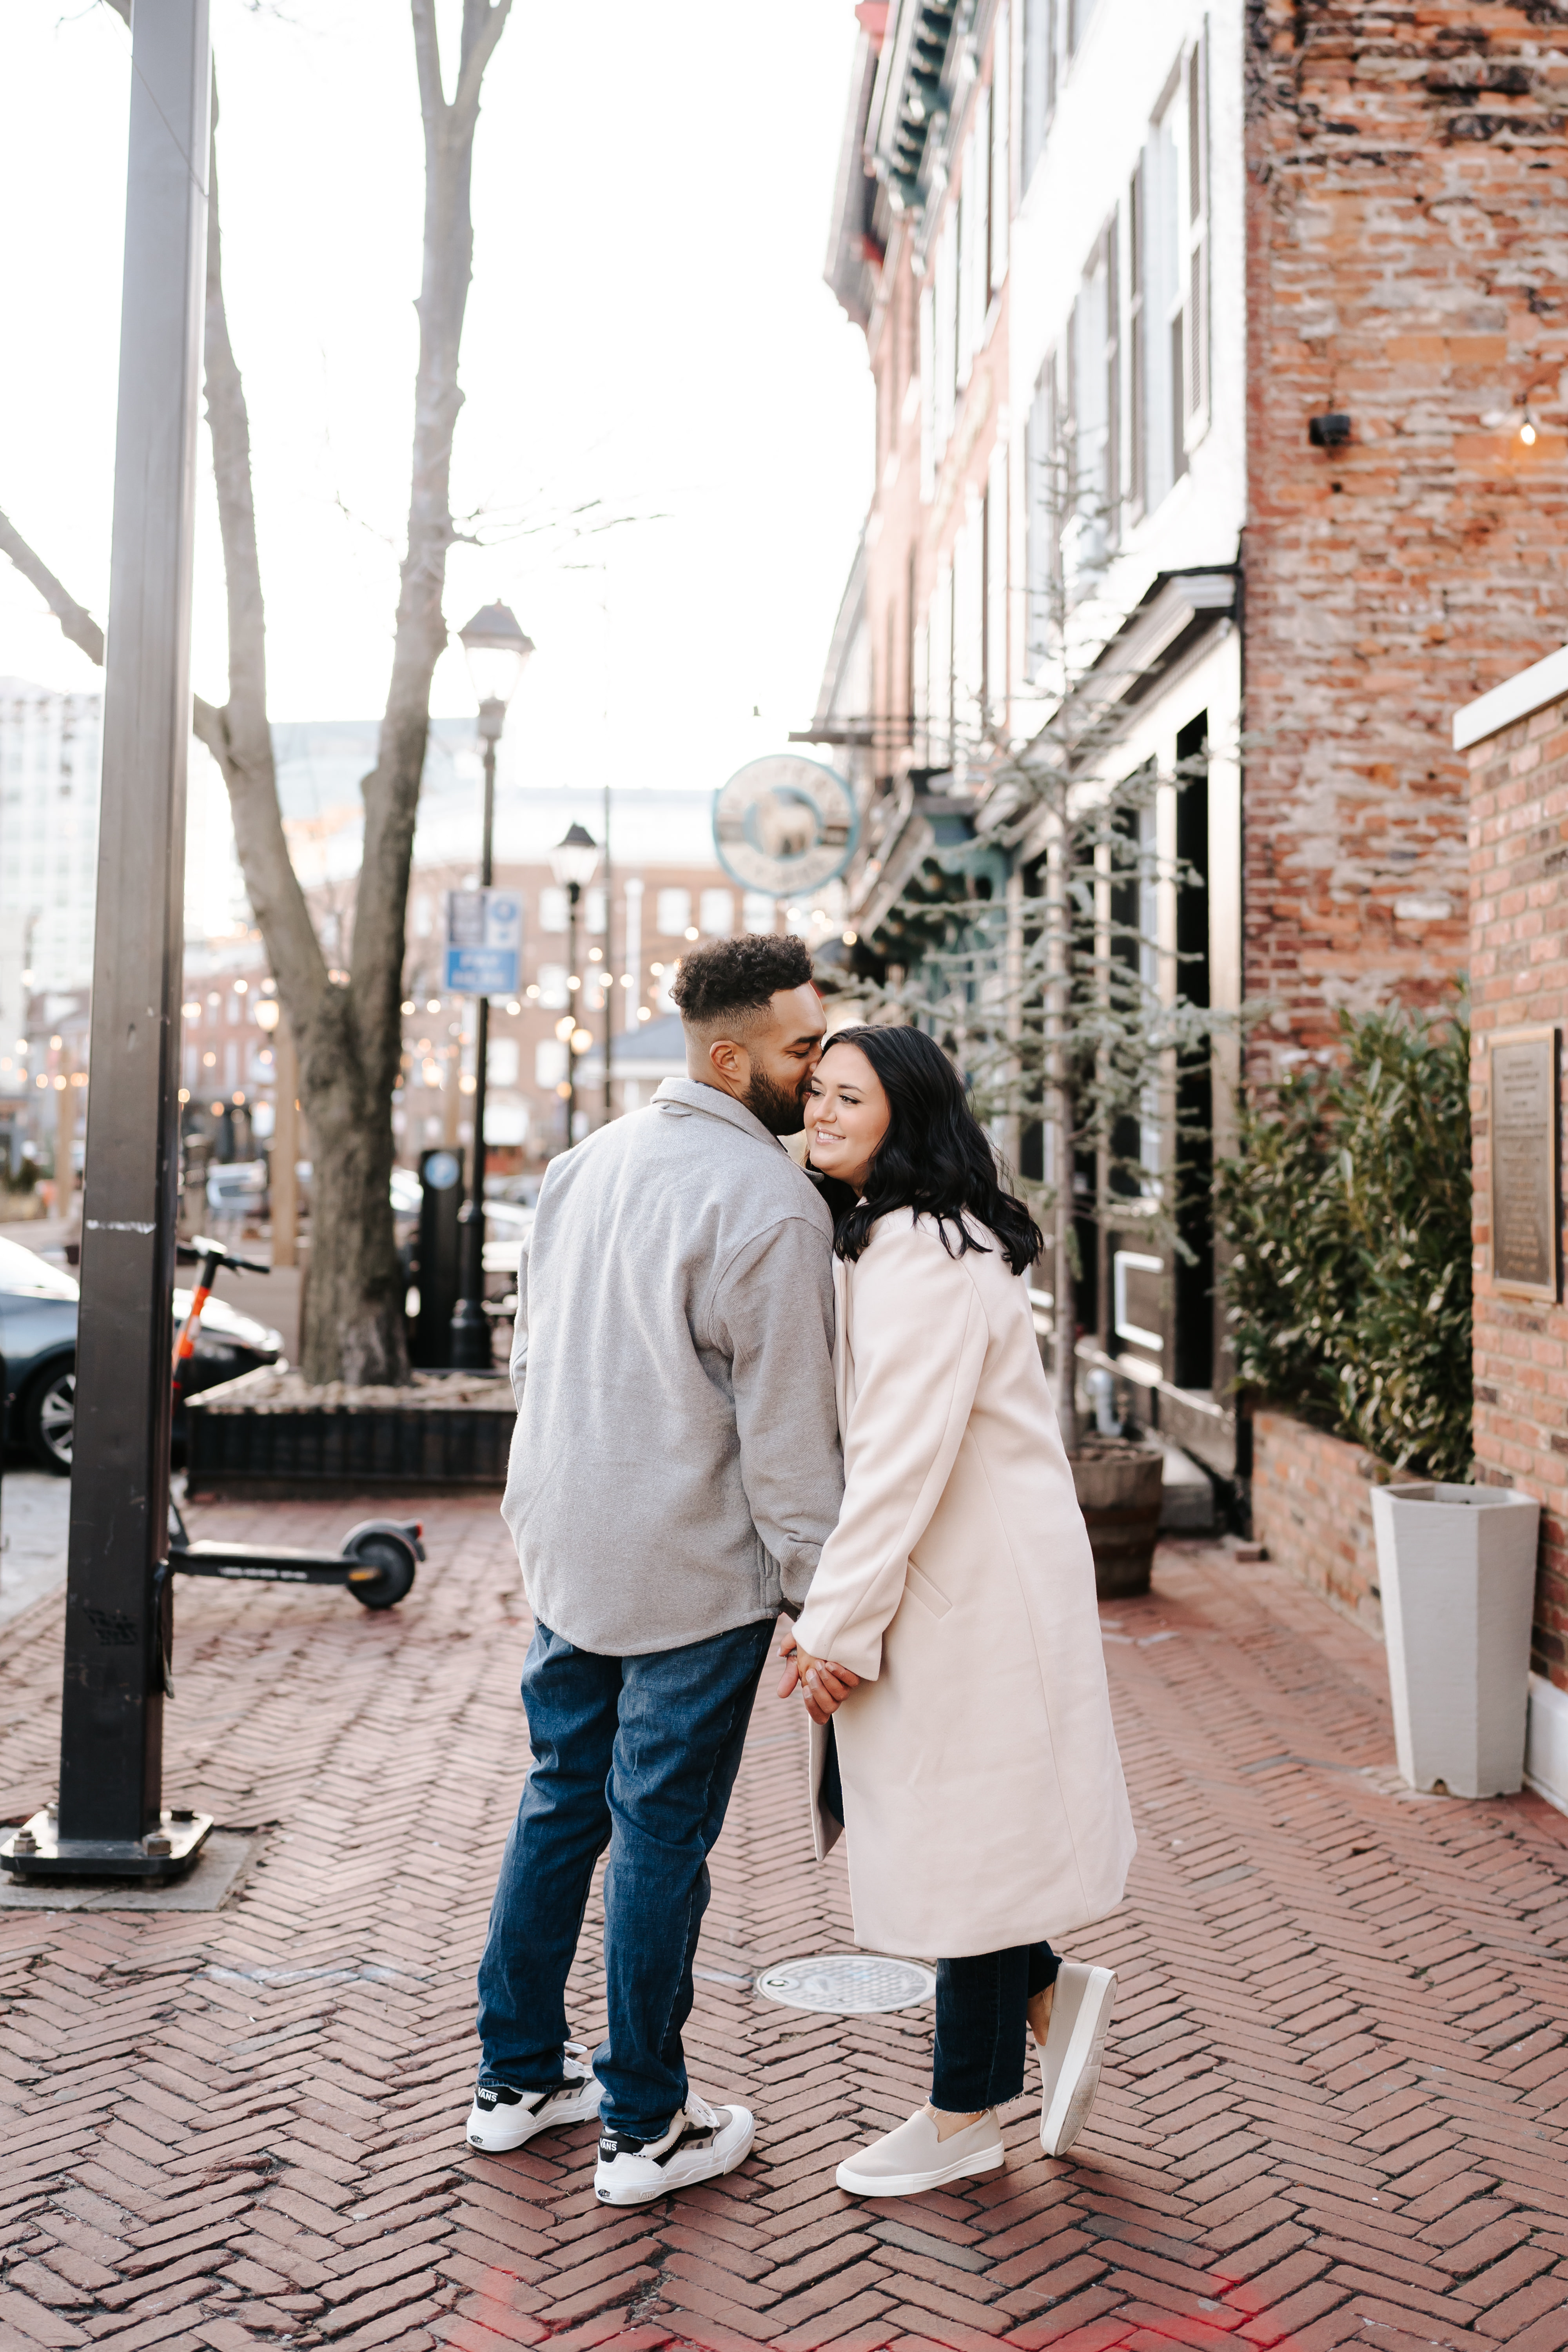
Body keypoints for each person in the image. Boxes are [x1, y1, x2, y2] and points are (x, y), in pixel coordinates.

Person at [468, 933, 843, 2207]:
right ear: (730, 1058)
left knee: (562, 1799)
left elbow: (535, 1365)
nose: (823, 1064)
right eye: (803, 1048)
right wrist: (823, 1595)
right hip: (688, 1567)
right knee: (660, 1837)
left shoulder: (582, 1166)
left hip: (568, 1547)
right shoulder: (774, 1204)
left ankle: (515, 2082)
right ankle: (646, 2125)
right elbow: (787, 1440)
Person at [779, 1024, 1136, 2199]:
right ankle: (1041, 1990)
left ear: (910, 1117)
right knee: (963, 1830)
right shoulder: (902, 1235)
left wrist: (834, 1626)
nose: (821, 1113)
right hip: (959, 1575)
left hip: (970, 1585)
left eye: (849, 1099)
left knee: (967, 1844)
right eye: (817, 1092)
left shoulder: (926, 1254)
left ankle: (965, 2110)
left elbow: (900, 1460)